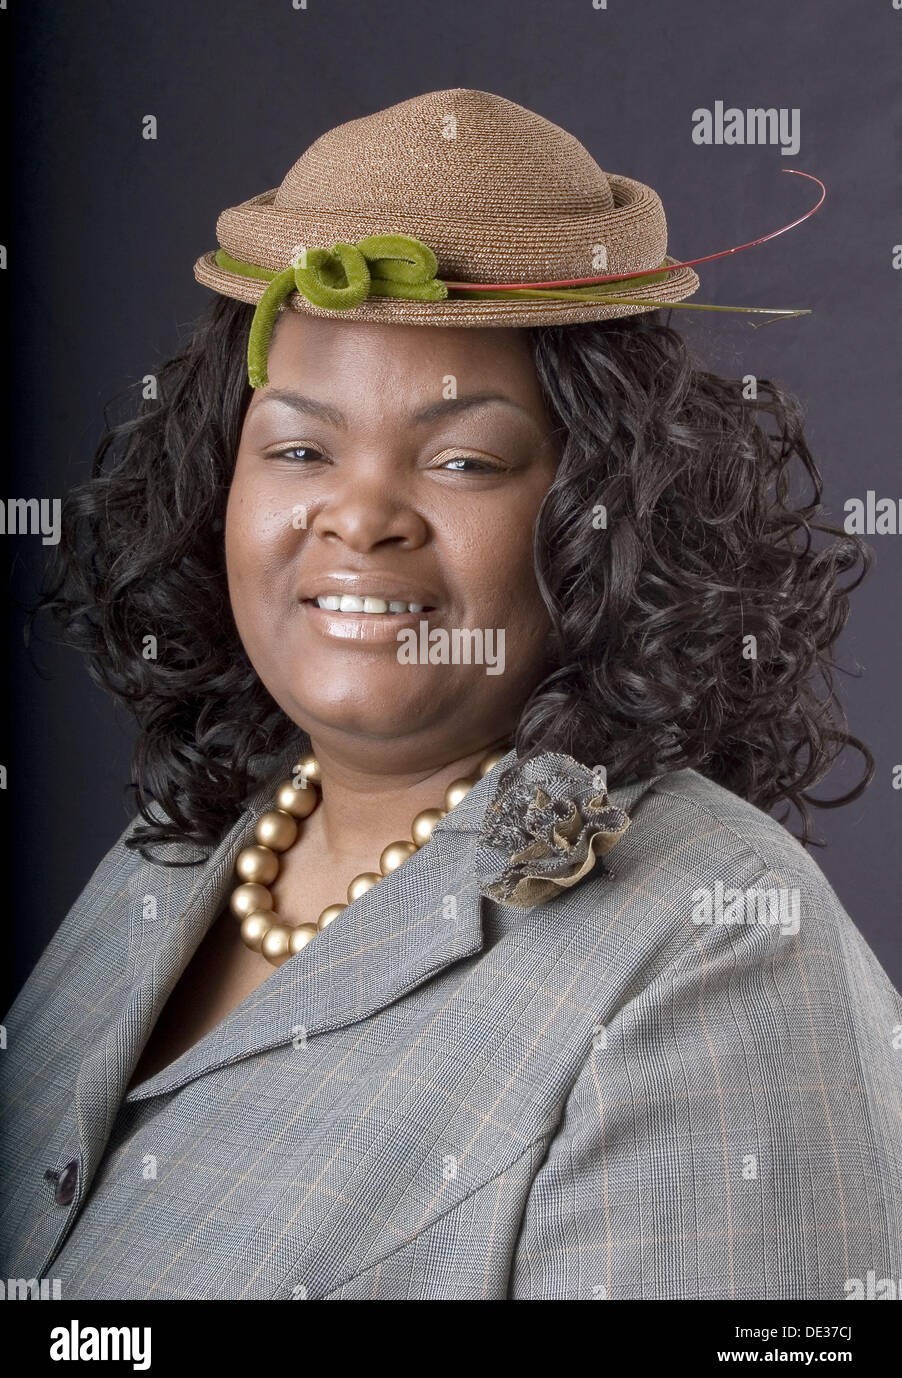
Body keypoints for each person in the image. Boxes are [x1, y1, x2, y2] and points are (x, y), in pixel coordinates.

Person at [2, 87, 900, 1301]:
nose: (358, 516)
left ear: (605, 513)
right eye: (300, 447)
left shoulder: (720, 956)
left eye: (463, 459)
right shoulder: (179, 854)